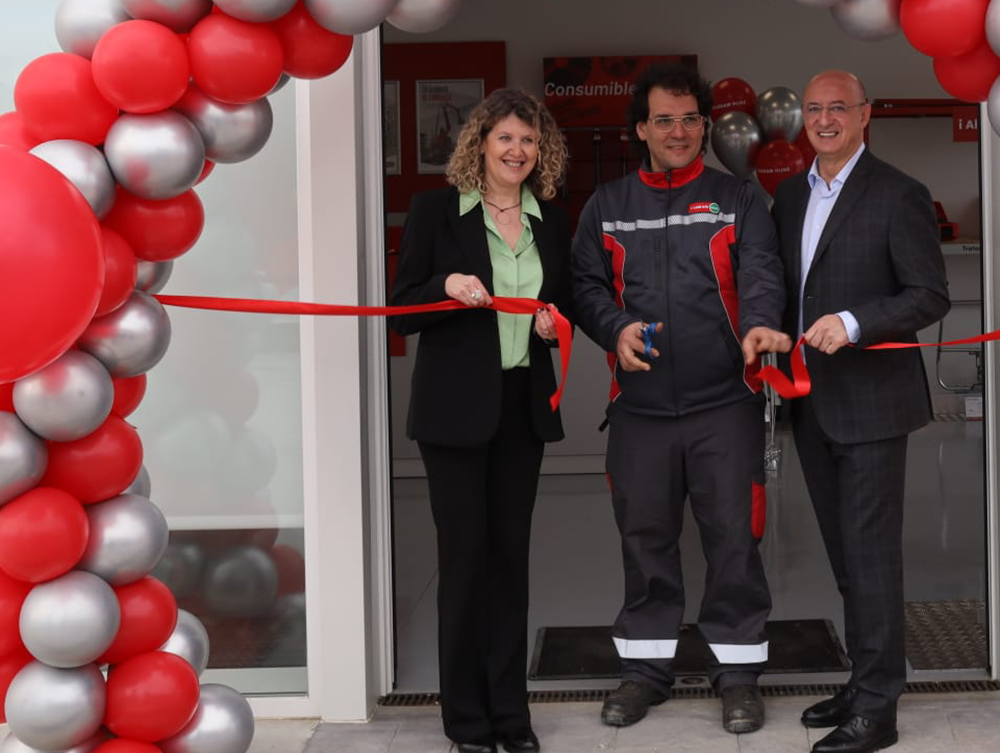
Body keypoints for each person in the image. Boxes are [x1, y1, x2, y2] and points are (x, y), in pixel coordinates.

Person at [569, 62, 787, 735]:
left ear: (705, 125)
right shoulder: (607, 206)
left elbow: (760, 270)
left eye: (690, 119)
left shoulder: (738, 198)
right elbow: (584, 286)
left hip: (726, 406)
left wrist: (757, 325)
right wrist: (614, 327)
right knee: (645, 543)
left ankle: (739, 677)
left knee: (733, 544)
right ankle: (644, 673)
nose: (679, 131)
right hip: (639, 414)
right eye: (664, 120)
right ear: (641, 129)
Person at [751, 69, 950, 753]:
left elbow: (929, 295)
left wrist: (856, 320)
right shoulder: (787, 196)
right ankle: (867, 678)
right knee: (845, 557)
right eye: (814, 109)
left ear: (866, 115)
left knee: (872, 559)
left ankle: (879, 710)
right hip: (811, 403)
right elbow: (784, 288)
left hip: (873, 403)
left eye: (840, 108)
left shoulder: (900, 194)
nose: (826, 119)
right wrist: (769, 335)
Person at [388, 89, 572, 753]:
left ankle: (511, 717)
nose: (518, 151)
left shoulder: (550, 219)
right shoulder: (437, 211)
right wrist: (444, 288)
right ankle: (466, 722)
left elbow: (567, 304)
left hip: (521, 413)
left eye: (529, 140)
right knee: (464, 565)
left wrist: (554, 325)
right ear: (481, 144)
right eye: (505, 139)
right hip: (453, 417)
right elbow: (402, 302)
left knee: (509, 566)